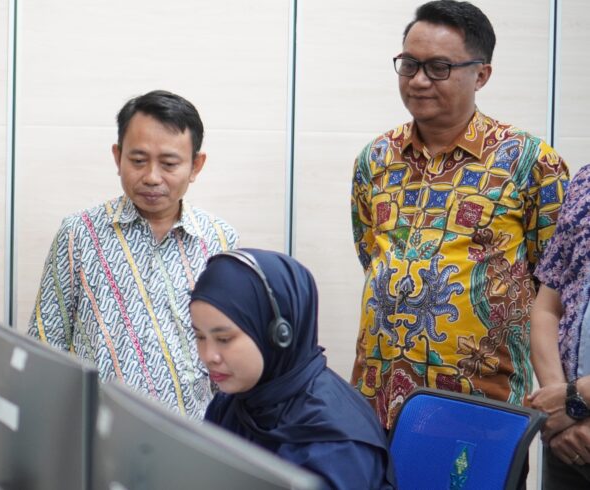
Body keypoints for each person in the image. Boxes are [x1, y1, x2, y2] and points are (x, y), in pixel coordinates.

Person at [350, 0, 570, 427]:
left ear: (481, 74)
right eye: (409, 65)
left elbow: (555, 289)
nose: (419, 80)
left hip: (481, 404)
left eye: (438, 68)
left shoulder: (529, 163)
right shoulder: (374, 159)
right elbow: (370, 255)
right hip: (378, 400)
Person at [28, 90, 239, 418]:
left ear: (196, 165)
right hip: (94, 432)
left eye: (169, 164)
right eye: (138, 161)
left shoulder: (219, 241)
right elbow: (45, 343)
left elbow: (229, 352)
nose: (152, 177)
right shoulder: (79, 234)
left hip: (188, 433)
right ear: (118, 157)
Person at [192, 249, 395, 489]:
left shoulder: (335, 443)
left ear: (278, 335)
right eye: (199, 336)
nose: (208, 356)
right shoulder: (233, 403)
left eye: (224, 339)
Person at [528, 164, 590, 489]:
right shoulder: (585, 181)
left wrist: (574, 400)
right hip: (568, 442)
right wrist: (559, 411)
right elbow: (547, 307)